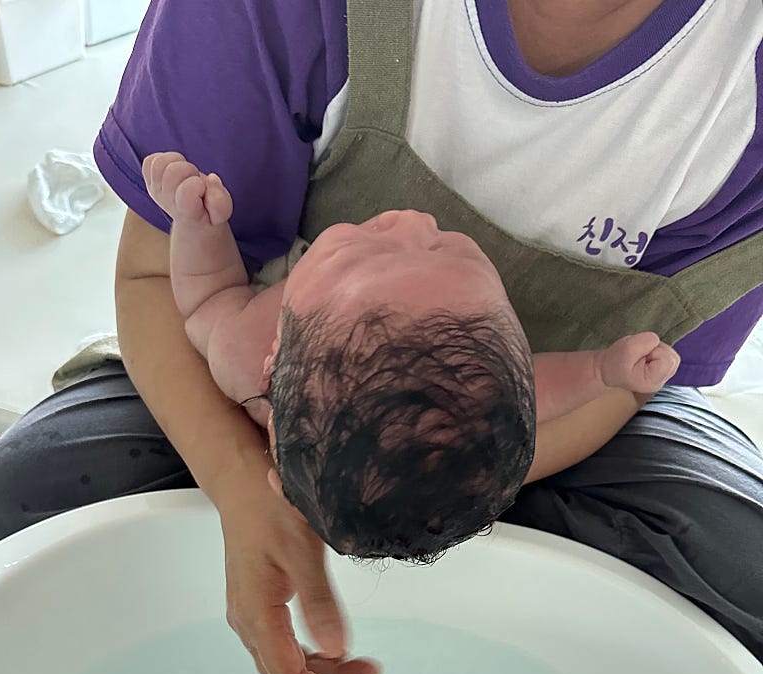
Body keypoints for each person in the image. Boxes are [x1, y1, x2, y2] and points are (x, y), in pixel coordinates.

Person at [0, 0, 763, 674]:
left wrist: (462, 482)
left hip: (527, 441)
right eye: (359, 243)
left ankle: (462, 579)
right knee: (40, 481)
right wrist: (248, 496)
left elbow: (566, 389)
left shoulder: (735, 86)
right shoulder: (249, 343)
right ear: (277, 353)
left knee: (744, 571)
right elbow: (175, 289)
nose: (411, 220)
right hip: (299, 448)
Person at [142, 149, 680, 560]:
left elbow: (207, 296)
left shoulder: (243, 350)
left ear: (275, 355)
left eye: (357, 252)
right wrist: (601, 370)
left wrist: (195, 226)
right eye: (447, 249)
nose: (412, 220)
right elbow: (539, 392)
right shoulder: (476, 393)